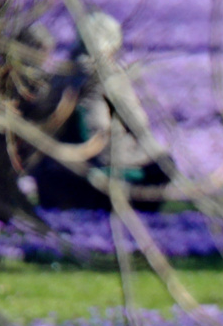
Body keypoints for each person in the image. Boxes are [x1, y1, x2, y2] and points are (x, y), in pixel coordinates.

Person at [30, 12, 170, 212]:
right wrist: (155, 152)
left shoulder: (60, 73)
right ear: (110, 43)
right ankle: (137, 209)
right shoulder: (109, 76)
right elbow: (137, 124)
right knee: (163, 164)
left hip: (57, 160)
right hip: (101, 156)